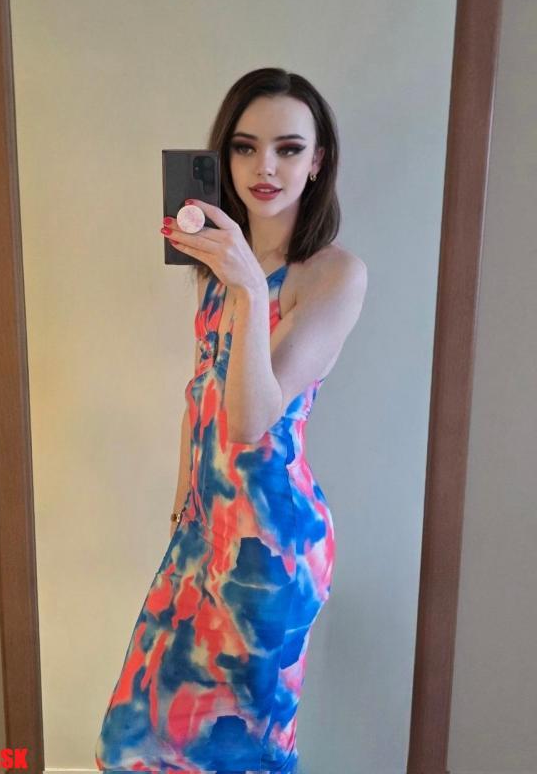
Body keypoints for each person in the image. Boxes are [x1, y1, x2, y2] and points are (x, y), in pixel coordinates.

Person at [95, 67, 367, 774]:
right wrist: (181, 511)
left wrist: (249, 288)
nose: (264, 167)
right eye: (245, 148)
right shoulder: (221, 268)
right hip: (202, 533)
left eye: (288, 148)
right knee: (130, 743)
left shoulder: (334, 275)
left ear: (317, 161)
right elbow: (203, 397)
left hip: (271, 548)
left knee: (244, 753)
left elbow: (251, 418)